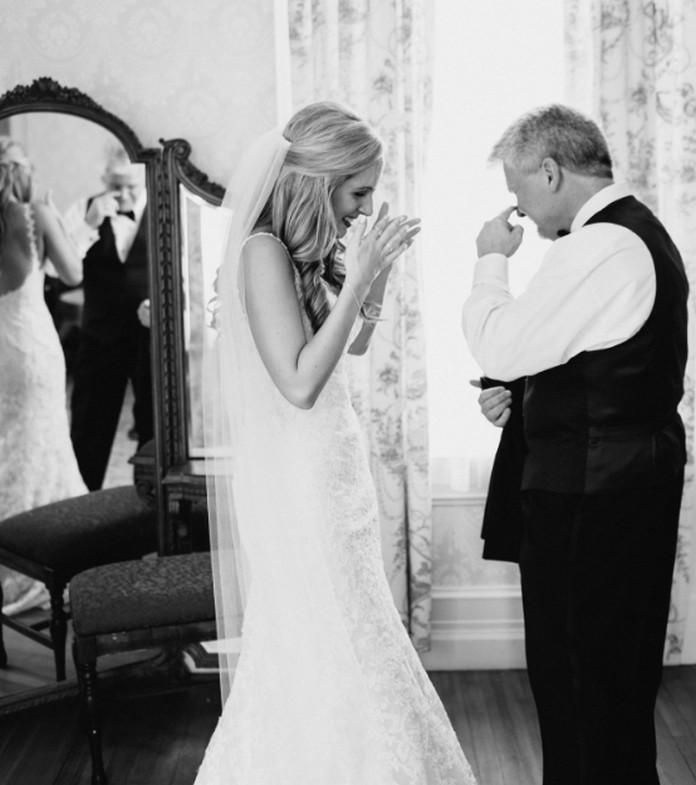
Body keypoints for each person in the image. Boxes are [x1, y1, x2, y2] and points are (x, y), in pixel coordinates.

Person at [195, 102, 476, 784]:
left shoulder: (302, 252)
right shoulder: (262, 251)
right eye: (358, 192)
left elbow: (350, 345)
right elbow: (299, 383)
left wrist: (374, 277)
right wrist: (359, 279)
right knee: (322, 628)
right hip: (300, 477)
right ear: (317, 182)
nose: (366, 208)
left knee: (354, 622)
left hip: (333, 464)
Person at [462, 104, 688, 785]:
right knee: (613, 681)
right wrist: (524, 395)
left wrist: (490, 262)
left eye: (519, 190)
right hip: (623, 484)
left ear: (551, 171)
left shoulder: (599, 245)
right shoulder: (637, 233)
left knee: (577, 680)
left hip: (592, 497)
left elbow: (499, 341)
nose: (519, 210)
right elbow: (592, 360)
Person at [0, 137, 87, 616]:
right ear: (19, 172)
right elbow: (72, 273)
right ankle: (46, 557)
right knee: (44, 442)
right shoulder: (34, 214)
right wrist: (58, 220)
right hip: (30, 350)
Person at [66, 146, 152, 490]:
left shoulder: (165, 208)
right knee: (89, 428)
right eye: (116, 186)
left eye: (131, 185)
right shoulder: (83, 210)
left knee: (154, 428)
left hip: (151, 340)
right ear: (104, 180)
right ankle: (83, 504)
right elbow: (60, 271)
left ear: (144, 177)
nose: (125, 194)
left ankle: (149, 505)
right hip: (99, 338)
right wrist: (88, 225)